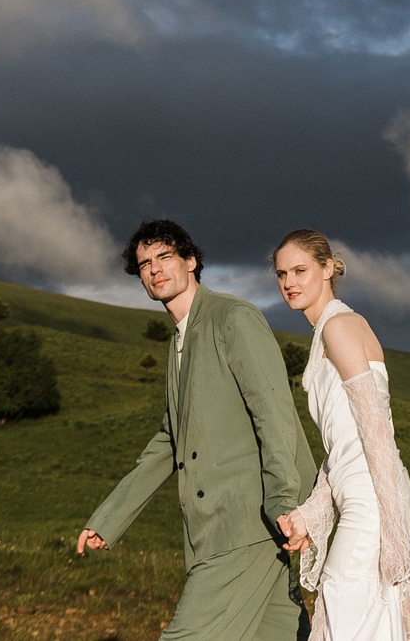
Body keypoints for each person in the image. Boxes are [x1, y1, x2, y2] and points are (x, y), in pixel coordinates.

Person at [78, 218, 317, 641]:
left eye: (165, 256)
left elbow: (274, 414)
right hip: (217, 533)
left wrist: (283, 500)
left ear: (190, 261)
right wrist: (109, 519)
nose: (155, 269)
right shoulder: (179, 341)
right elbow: (169, 441)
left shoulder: (233, 318)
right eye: (145, 264)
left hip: (246, 524)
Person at [271, 230, 410, 641]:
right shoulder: (327, 331)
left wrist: (394, 528)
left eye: (300, 270)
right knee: (358, 619)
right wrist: (310, 513)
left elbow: (376, 430)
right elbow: (343, 444)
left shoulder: (339, 327)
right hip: (360, 494)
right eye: (282, 274)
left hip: (372, 501)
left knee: (345, 608)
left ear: (328, 269)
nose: (289, 283)